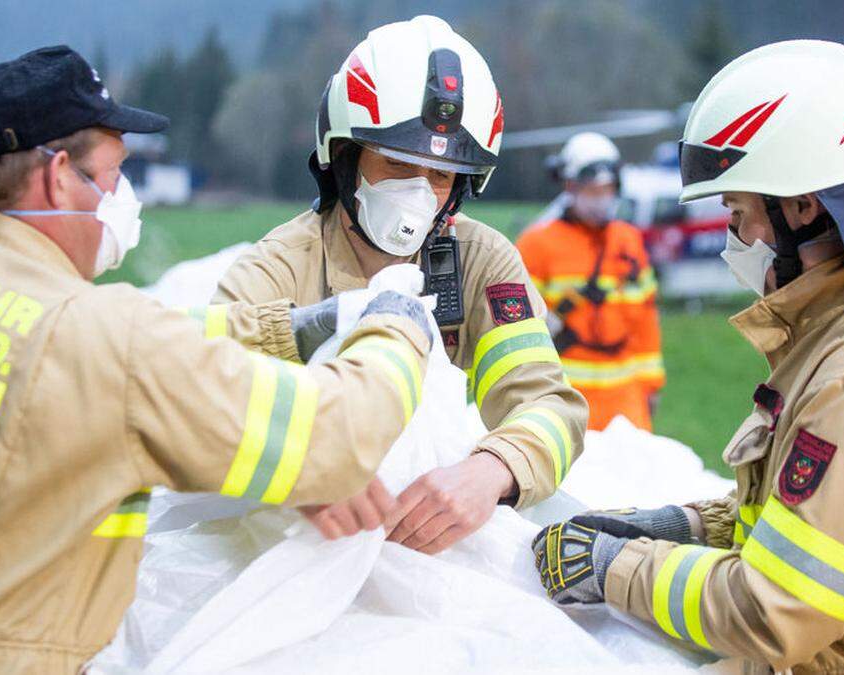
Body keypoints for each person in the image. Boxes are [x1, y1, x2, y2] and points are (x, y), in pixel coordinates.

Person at [0, 46, 433, 673]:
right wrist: (395, 322)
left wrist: (292, 328)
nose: (120, 194)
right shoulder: (105, 342)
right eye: (111, 172)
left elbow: (110, 347)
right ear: (56, 177)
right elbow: (336, 438)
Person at [533, 40, 844, 673]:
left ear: (803, 208)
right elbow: (833, 525)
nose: (735, 238)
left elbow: (770, 611)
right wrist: (688, 526)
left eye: (740, 211)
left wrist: (613, 568)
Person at [212, 16, 587, 553]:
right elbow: (204, 398)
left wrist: (493, 470)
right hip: (303, 543)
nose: (418, 191)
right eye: (396, 163)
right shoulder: (279, 267)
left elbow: (547, 402)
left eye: (440, 175)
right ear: (344, 157)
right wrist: (303, 467)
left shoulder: (481, 261)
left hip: (439, 547)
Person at [516, 132, 664, 431]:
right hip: (562, 397)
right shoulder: (536, 245)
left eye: (607, 190)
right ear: (570, 187)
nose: (601, 200)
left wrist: (651, 384)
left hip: (626, 401)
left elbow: (645, 316)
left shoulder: (628, 241)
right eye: (592, 191)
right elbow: (520, 327)